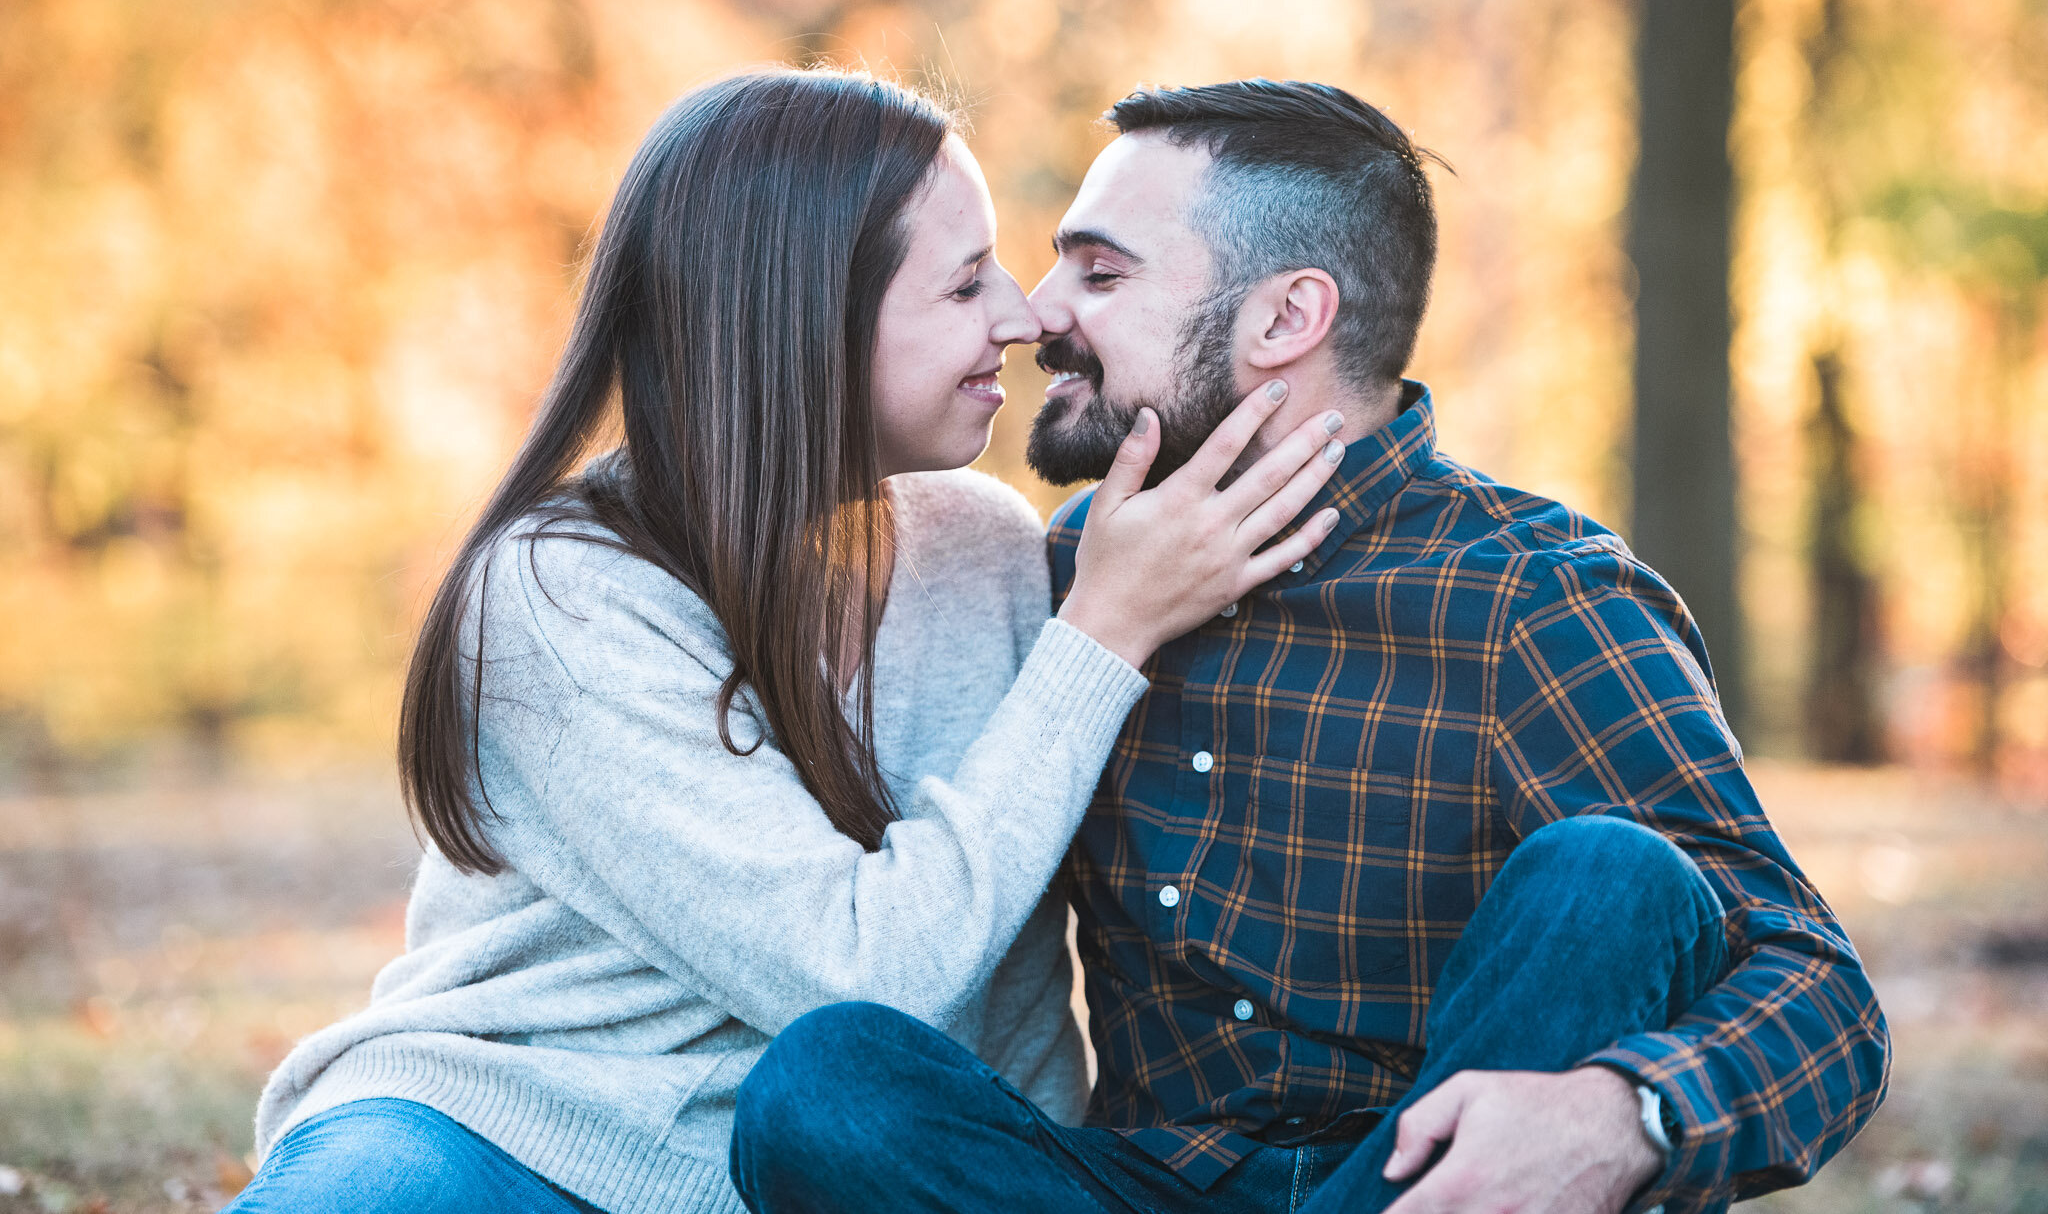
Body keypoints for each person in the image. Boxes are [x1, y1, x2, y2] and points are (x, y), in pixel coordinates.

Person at [730, 81, 1891, 1214]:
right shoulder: (1073, 577)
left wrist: (1624, 1113)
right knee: (824, 1087)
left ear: (1285, 318)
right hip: (1138, 1184)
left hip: (1423, 1176)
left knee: (1613, 876)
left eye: (1100, 272)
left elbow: (1819, 990)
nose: (1038, 311)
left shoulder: (1533, 599)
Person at [226, 68, 1350, 1214]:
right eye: (965, 285)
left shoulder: (984, 548)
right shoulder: (560, 595)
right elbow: (854, 973)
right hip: (516, 1136)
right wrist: (1103, 630)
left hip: (827, 1161)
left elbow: (1003, 992)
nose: (1020, 316)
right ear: (803, 321)